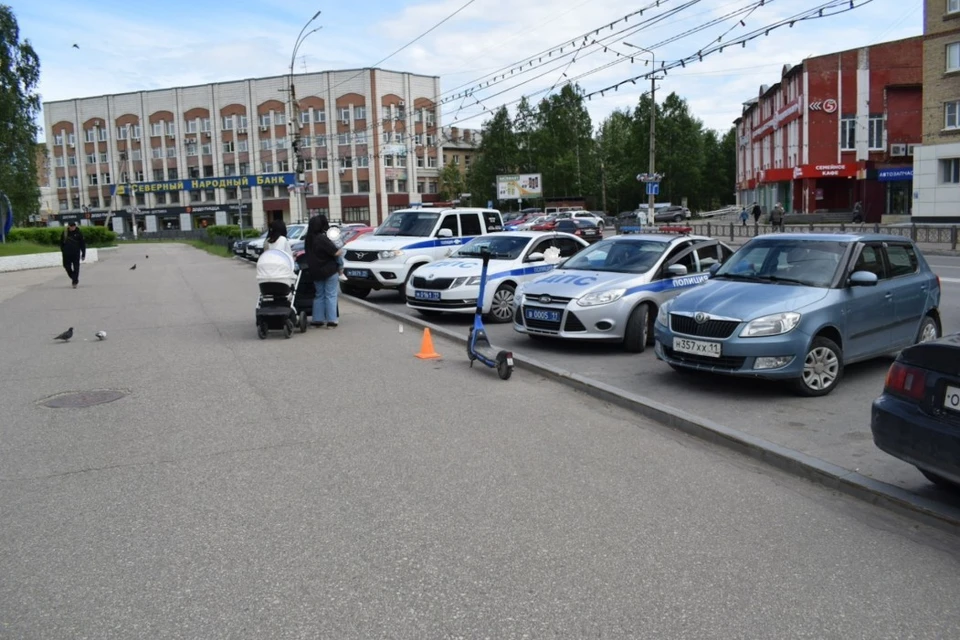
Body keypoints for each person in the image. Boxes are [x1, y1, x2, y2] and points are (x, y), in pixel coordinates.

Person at [304, 214, 343, 328]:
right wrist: (341, 250)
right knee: (330, 295)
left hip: (315, 271)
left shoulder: (308, 239)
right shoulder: (322, 238)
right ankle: (331, 320)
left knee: (319, 295)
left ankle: (318, 319)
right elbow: (335, 252)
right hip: (329, 270)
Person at [59, 221, 86, 289]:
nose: (73, 227)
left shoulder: (79, 233)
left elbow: (82, 244)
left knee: (76, 268)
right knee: (66, 267)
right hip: (66, 254)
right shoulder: (65, 233)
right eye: (71, 226)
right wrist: (63, 250)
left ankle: (74, 282)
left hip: (76, 253)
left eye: (74, 226)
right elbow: (61, 243)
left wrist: (83, 254)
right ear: (69, 226)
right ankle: (74, 278)